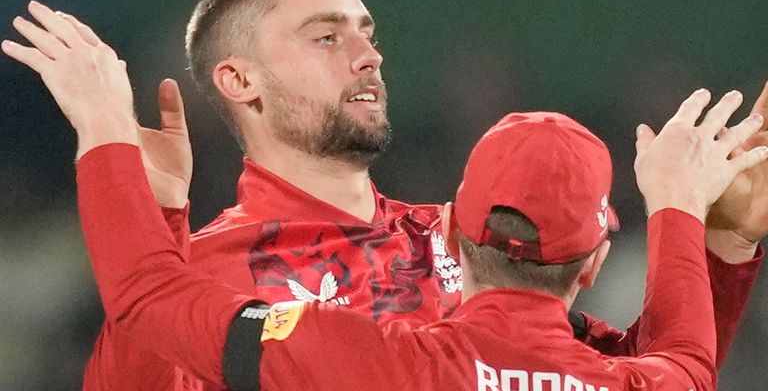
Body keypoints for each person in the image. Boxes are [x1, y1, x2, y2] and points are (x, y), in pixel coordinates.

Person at [3, 0, 767, 387]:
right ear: (240, 82)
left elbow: (627, 373)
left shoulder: (472, 234)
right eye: (325, 36)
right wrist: (160, 215)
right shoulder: (210, 267)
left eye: (367, 32)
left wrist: (728, 246)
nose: (367, 54)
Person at [73, 95, 768, 390]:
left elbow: (146, 296)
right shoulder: (637, 380)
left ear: (455, 234)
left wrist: (106, 128)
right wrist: (703, 224)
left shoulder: (364, 363)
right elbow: (683, 358)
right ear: (595, 265)